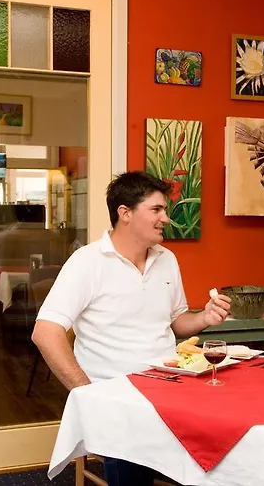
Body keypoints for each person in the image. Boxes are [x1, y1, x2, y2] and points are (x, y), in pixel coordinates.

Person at [31, 171, 231, 485]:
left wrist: (205, 317)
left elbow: (178, 322)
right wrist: (88, 394)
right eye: (156, 209)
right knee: (134, 454)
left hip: (170, 386)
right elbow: (45, 332)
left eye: (165, 210)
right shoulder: (87, 262)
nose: (166, 218)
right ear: (125, 213)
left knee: (223, 438)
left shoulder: (167, 259)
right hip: (116, 395)